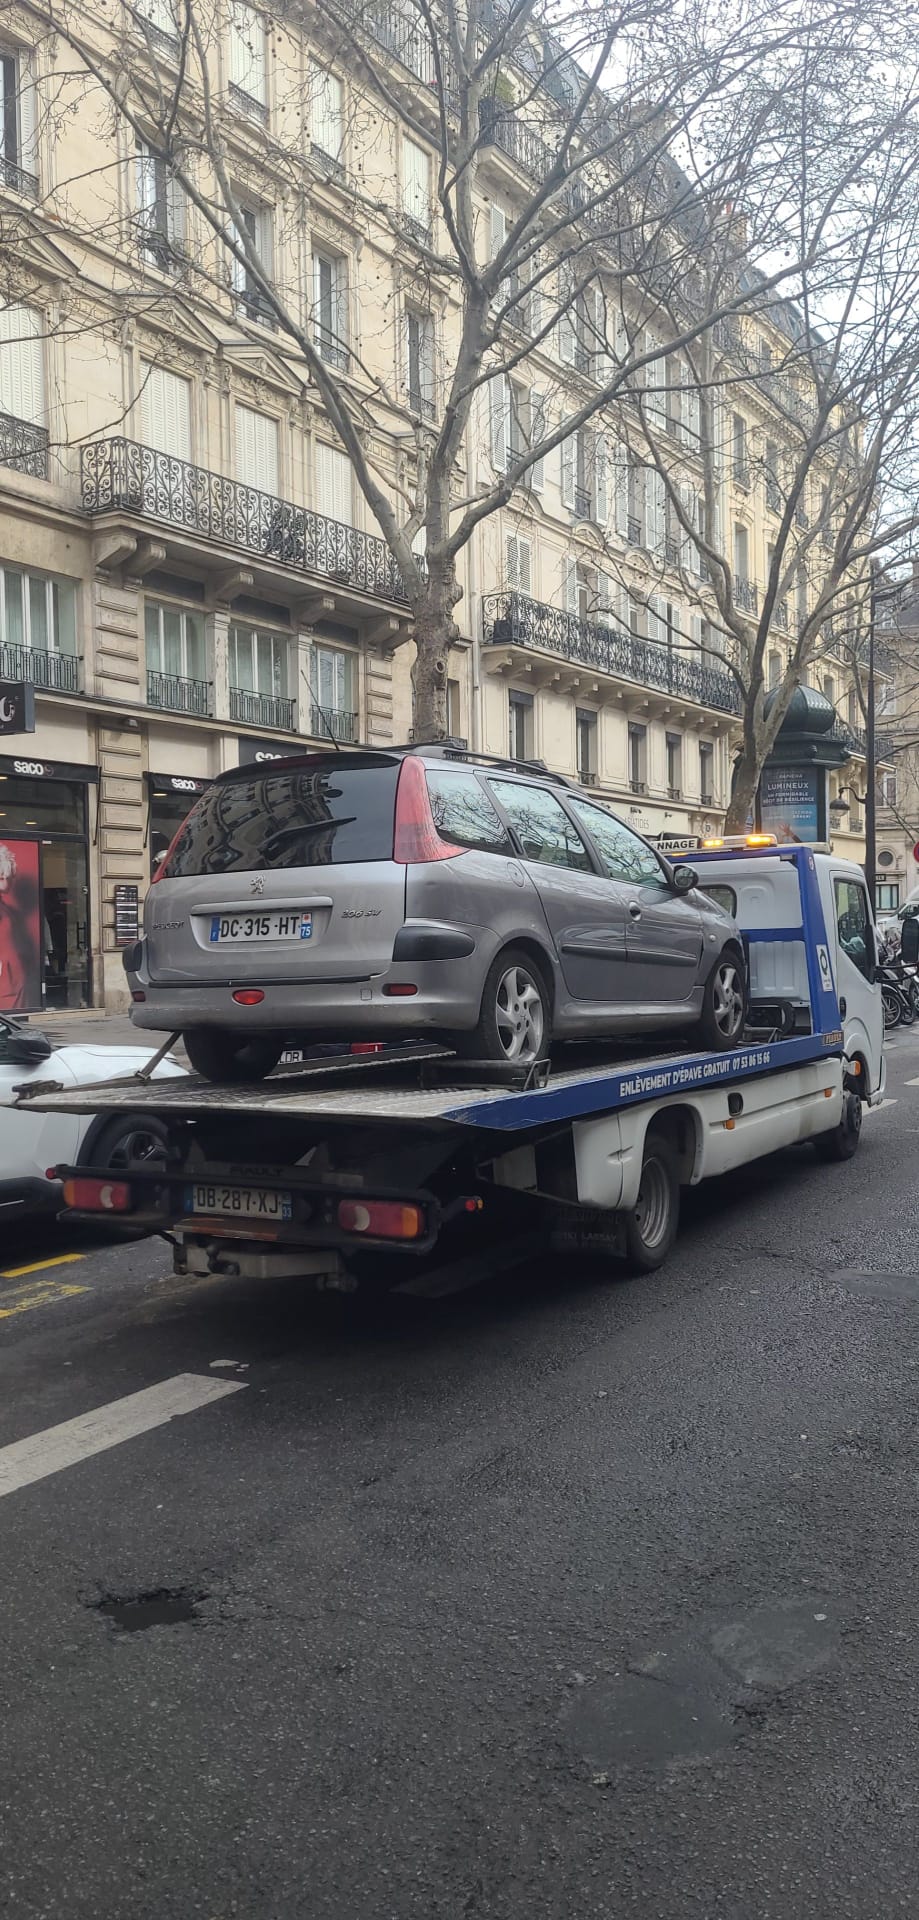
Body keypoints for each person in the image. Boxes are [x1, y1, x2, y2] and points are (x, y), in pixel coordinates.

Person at [0, 844, 29, 1010]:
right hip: (7, 973)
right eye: (2, 877)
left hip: (14, 970)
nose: (7, 881)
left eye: (8, 876)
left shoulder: (8, 908)